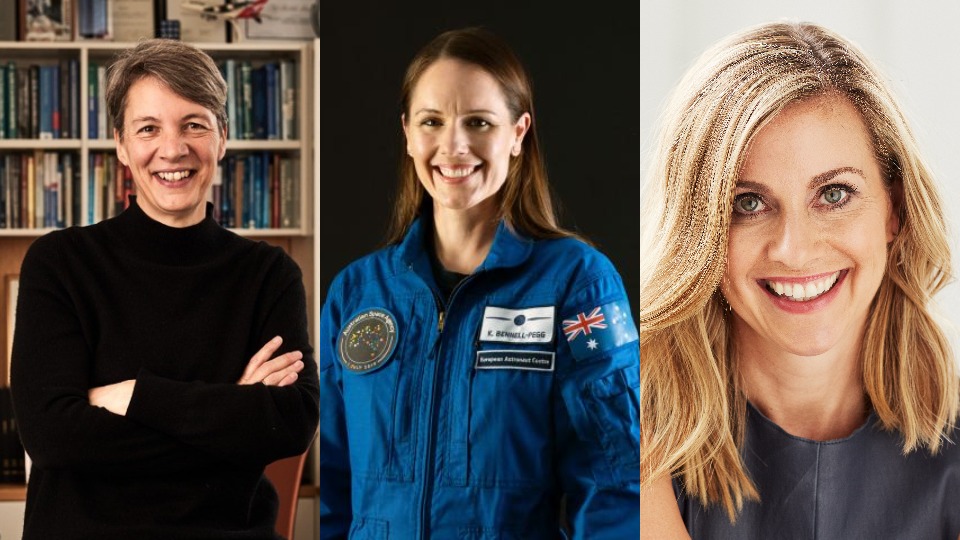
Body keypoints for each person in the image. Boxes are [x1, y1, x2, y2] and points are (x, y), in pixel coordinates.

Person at [640, 20, 960, 539]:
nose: (793, 249)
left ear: (893, 212)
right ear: (699, 234)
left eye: (833, 194)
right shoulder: (628, 426)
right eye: (749, 203)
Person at [318, 27, 639, 538]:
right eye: (432, 121)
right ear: (407, 133)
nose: (454, 145)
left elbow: (617, 482)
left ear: (518, 133)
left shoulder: (576, 282)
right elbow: (334, 487)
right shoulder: (356, 293)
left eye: (479, 122)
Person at [10, 39, 320, 539]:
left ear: (222, 137)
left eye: (193, 124)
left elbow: (292, 420)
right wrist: (232, 408)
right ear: (121, 144)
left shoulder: (269, 274)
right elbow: (51, 437)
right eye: (148, 128)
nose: (172, 149)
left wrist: (136, 395)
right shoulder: (60, 263)